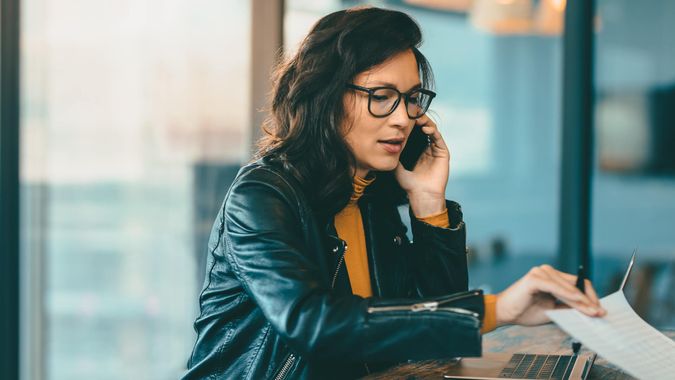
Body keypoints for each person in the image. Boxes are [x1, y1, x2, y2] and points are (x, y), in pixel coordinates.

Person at [183, 6, 605, 380]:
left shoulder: (371, 197)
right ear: (325, 97)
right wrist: (494, 309)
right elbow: (317, 326)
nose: (403, 118)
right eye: (382, 97)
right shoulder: (261, 195)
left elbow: (432, 336)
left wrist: (428, 204)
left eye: (411, 99)